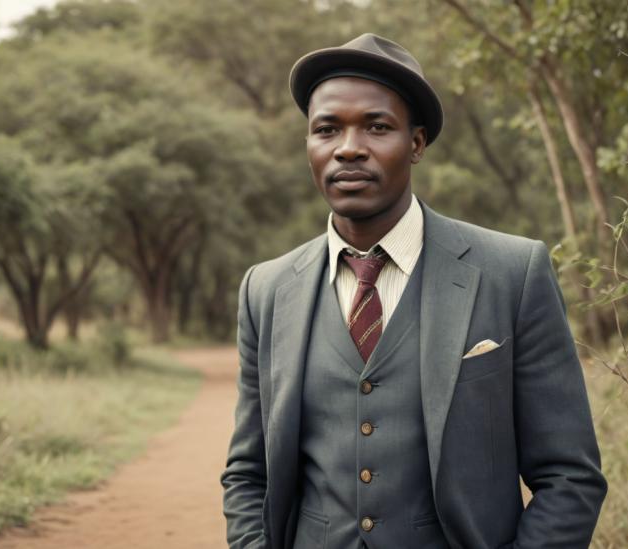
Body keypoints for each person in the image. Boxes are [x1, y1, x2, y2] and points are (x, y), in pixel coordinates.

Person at [221, 33, 606, 549]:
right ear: (309, 145)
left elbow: (569, 477)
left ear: (417, 143)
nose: (349, 147)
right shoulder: (265, 289)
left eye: (377, 127)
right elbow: (249, 474)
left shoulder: (511, 272)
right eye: (327, 129)